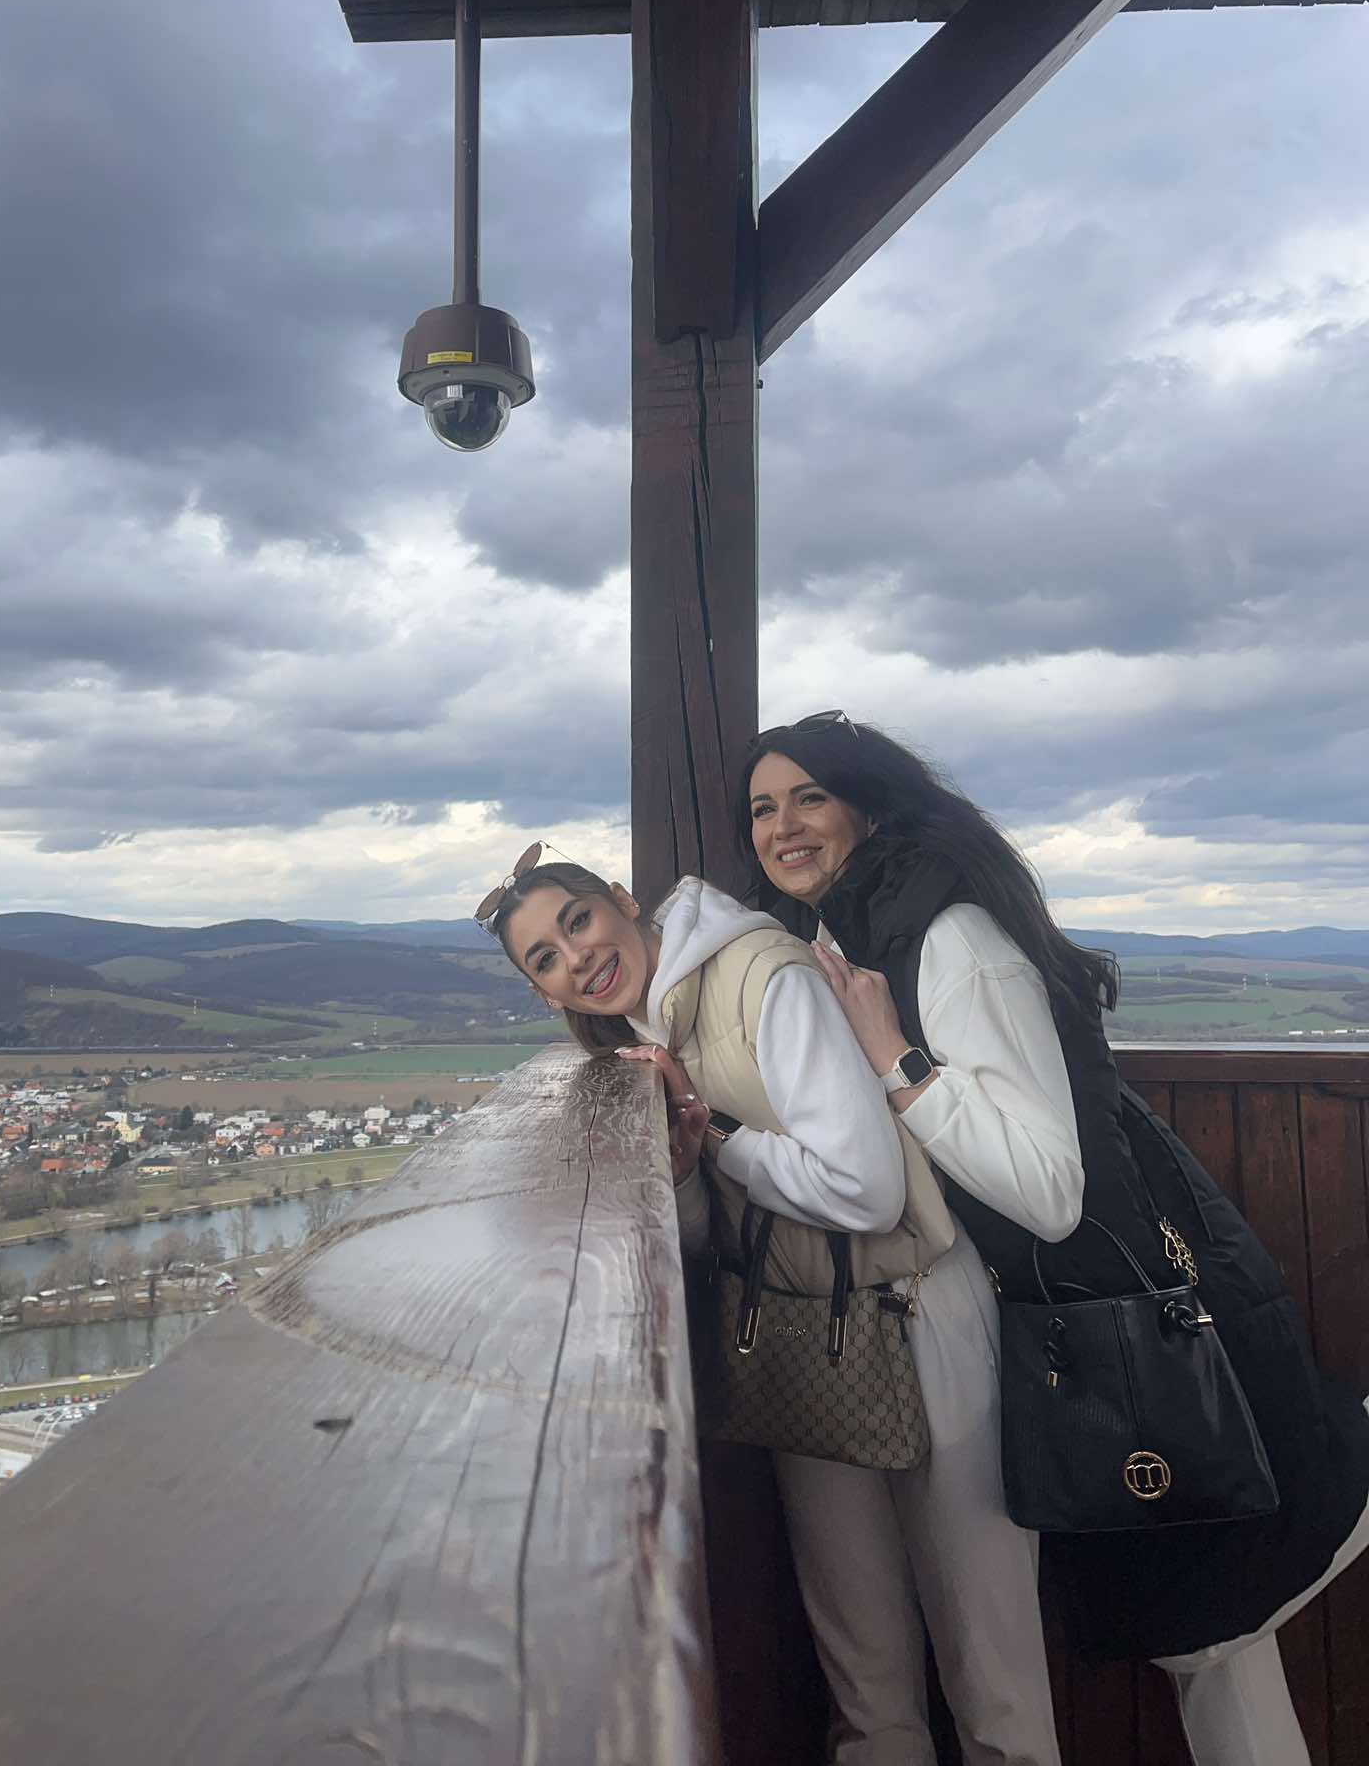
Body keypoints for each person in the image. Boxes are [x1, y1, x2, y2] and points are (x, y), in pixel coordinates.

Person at [740, 711, 1369, 1766]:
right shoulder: (864, 932)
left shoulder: (950, 939)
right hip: (1097, 1331)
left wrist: (896, 1061)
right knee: (1209, 1631)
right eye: (763, 808)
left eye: (809, 797)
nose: (782, 826)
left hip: (1136, 1317)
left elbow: (1047, 1191)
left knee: (1213, 1619)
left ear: (869, 809)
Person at [482, 850, 1065, 1766]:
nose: (577, 957)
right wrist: (682, 1170)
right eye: (545, 958)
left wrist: (714, 1132)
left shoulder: (763, 977)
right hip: (803, 1333)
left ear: (624, 902)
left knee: (991, 1673)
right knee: (865, 1680)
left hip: (915, 1313)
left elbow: (867, 1189)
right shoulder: (643, 1034)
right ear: (541, 990)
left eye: (578, 921)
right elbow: (719, 1232)